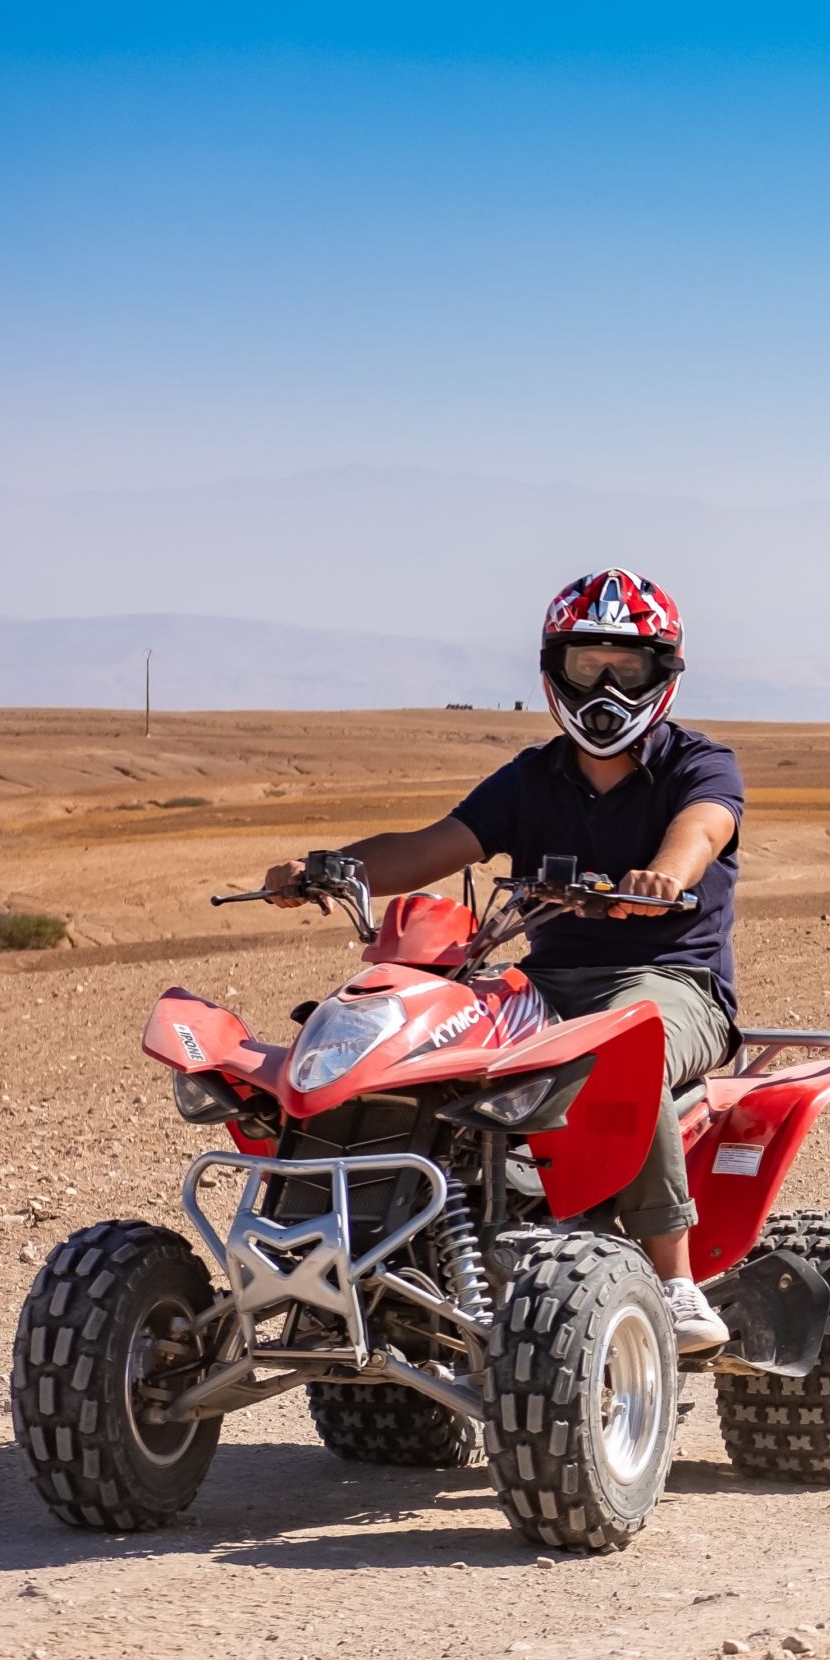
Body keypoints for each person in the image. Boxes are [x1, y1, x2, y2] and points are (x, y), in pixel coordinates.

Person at [258, 569, 740, 1354]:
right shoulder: (531, 778)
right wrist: (330, 866)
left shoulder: (701, 764)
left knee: (628, 1044)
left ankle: (676, 1279)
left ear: (664, 671)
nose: (608, 685)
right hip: (544, 988)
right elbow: (427, 847)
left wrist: (664, 876)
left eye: (628, 665)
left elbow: (703, 832)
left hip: (673, 984)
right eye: (589, 665)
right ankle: (348, 1258)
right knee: (414, 1049)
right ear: (556, 670)